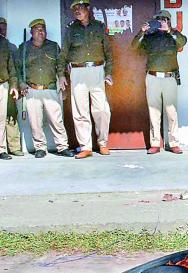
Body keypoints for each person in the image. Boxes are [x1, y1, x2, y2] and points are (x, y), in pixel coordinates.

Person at [59, 0, 113, 159]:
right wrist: (61, 74)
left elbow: (109, 53)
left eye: (80, 7)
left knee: (102, 110)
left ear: (88, 8)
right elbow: (63, 54)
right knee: (80, 111)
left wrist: (108, 72)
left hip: (97, 71)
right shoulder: (70, 29)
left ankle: (103, 143)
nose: (77, 11)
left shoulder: (99, 27)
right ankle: (86, 146)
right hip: (77, 72)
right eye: (74, 9)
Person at [132, 9, 187, 154]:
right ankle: (155, 143)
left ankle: (174, 143)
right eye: (159, 19)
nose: (161, 21)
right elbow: (134, 47)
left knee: (172, 112)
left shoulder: (174, 35)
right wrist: (142, 32)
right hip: (153, 78)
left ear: (169, 21)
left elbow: (183, 41)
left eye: (164, 19)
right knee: (154, 111)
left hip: (170, 78)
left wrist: (169, 31)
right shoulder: (150, 37)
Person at [16, 19, 71, 158]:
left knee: (56, 120)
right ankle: (40, 148)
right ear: (31, 32)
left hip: (51, 88)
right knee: (35, 122)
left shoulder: (53, 46)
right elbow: (17, 70)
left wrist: (62, 81)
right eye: (37, 29)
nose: (41, 32)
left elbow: (60, 66)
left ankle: (63, 147)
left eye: (43, 29)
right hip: (32, 90)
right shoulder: (23, 48)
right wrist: (21, 83)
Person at [0, 18, 22, 158]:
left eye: (4, 27)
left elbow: (14, 68)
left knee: (9, 115)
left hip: (5, 84)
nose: (2, 30)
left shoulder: (8, 46)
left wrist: (15, 85)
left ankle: (10, 147)